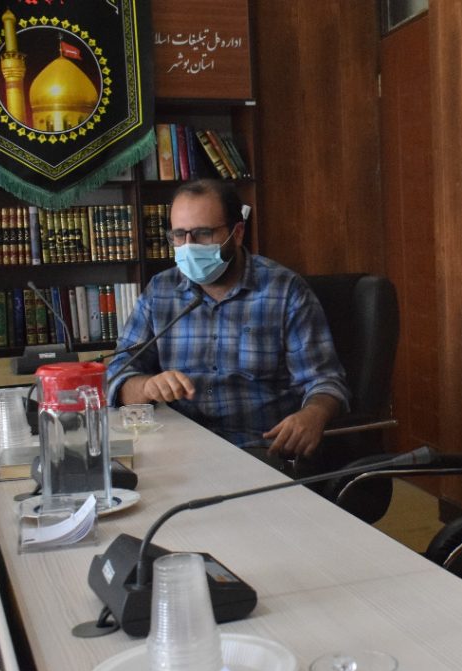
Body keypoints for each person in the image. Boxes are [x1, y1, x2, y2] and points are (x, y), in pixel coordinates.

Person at [106, 179, 350, 460]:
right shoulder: (160, 291)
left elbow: (325, 380)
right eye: (179, 235)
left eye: (203, 233)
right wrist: (146, 386)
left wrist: (313, 414)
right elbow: (117, 374)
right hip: (178, 449)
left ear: (237, 233)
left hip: (259, 449)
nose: (189, 246)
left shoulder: (285, 291)